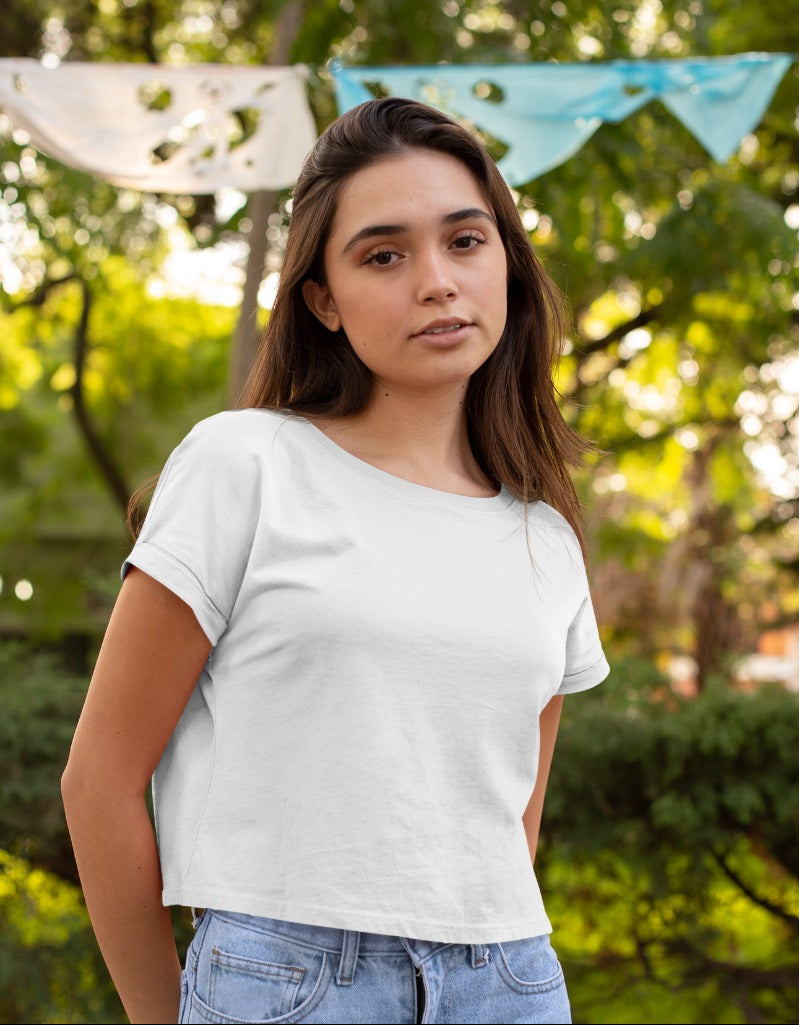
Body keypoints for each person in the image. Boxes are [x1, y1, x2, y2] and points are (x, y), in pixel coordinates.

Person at [62, 96, 609, 1025]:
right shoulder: (244, 465)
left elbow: (510, 815)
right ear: (322, 298)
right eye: (384, 254)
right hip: (285, 980)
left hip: (511, 979)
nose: (436, 281)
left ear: (505, 264)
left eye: (465, 241)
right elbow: (100, 781)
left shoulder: (545, 536)